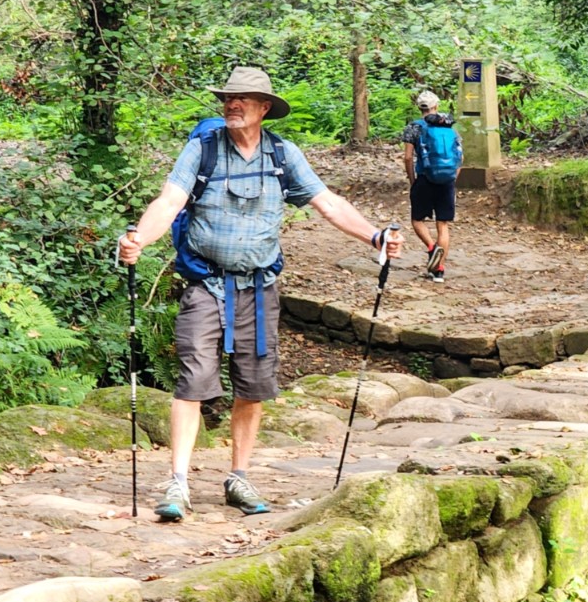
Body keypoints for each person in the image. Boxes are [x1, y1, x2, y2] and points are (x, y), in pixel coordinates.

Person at [118, 66, 403, 522]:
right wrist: (139, 240)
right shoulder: (203, 150)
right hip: (205, 284)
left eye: (244, 98)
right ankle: (178, 482)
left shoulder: (283, 156)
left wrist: (374, 237)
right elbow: (170, 201)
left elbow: (327, 203)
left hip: (259, 286)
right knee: (193, 379)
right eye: (228, 97)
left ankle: (239, 477)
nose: (232, 104)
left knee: (252, 385)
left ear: (263, 108)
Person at [402, 89, 461, 283]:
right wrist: (452, 178)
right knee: (442, 225)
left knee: (417, 220)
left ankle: (431, 247)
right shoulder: (450, 127)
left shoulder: (414, 127)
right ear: (437, 106)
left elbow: (408, 157)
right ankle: (439, 270)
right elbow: (460, 158)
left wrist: (413, 180)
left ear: (419, 107)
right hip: (447, 180)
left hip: (425, 178)